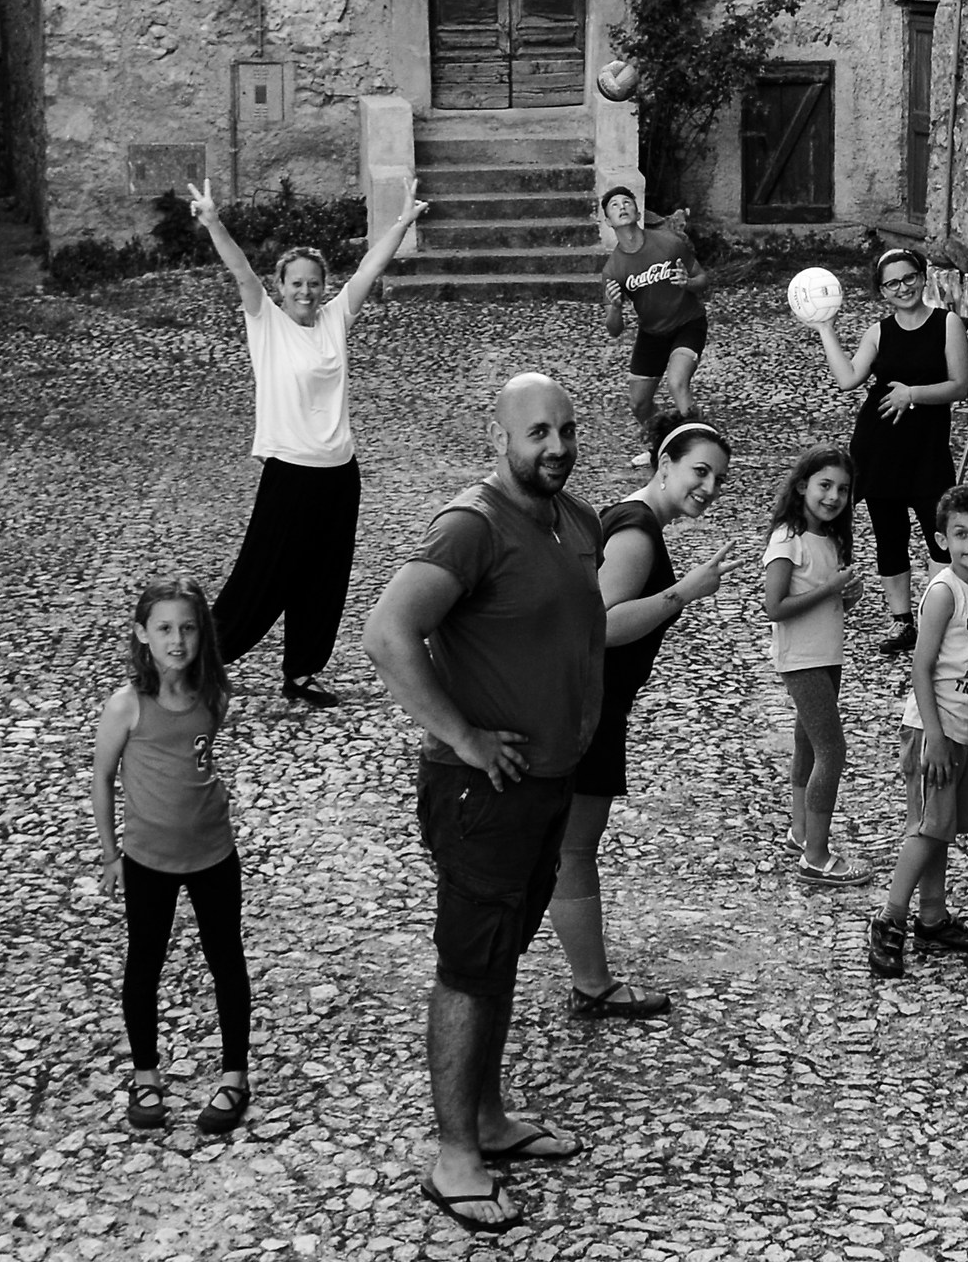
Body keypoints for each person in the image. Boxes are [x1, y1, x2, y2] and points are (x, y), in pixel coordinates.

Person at [362, 373, 605, 1236]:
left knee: (500, 954)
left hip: (545, 787)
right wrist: (464, 737)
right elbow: (387, 633)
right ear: (498, 437)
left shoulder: (570, 519)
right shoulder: (472, 525)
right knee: (469, 966)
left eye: (567, 430)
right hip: (483, 791)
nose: (556, 447)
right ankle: (454, 1154)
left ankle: (490, 1121)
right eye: (537, 432)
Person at [189, 177, 428, 709]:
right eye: (294, 283)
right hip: (289, 472)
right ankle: (195, 660)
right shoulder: (266, 322)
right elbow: (239, 269)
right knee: (261, 578)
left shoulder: (336, 318)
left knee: (324, 578)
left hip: (340, 473)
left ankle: (301, 673)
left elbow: (371, 267)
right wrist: (212, 220)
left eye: (313, 283)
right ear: (280, 287)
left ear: (323, 286)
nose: (304, 291)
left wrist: (403, 221)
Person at [554, 415, 750, 1019]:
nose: (709, 487)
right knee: (573, 849)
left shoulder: (625, 515)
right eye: (698, 471)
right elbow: (601, 627)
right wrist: (684, 593)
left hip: (585, 701)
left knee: (558, 845)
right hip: (591, 704)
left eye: (717, 477)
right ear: (663, 466)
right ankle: (592, 984)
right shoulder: (638, 532)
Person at [91, 575, 253, 1138]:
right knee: (145, 961)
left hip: (213, 851)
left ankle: (235, 1074)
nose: (176, 641)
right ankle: (145, 1074)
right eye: (163, 629)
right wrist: (112, 852)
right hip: (147, 859)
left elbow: (201, 757)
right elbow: (103, 777)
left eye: (187, 628)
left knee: (225, 958)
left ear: (202, 634)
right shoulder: (128, 705)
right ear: (143, 635)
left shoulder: (215, 695)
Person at [868, 483, 968, 978]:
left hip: (966, 726)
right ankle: (889, 920)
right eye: (962, 534)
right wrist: (937, 736)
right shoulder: (945, 592)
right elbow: (920, 669)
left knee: (941, 828)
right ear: (942, 539)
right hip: (936, 730)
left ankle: (932, 915)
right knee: (926, 829)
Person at [810, 247, 968, 656]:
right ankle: (903, 624)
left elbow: (959, 386)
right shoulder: (879, 332)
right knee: (889, 537)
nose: (903, 288)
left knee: (940, 535)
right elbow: (848, 379)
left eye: (909, 278)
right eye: (892, 283)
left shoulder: (947, 323)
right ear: (882, 291)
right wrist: (826, 327)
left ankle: (943, 623)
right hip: (878, 446)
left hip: (927, 449)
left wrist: (911, 394)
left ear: (923, 276)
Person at [764, 444, 872, 885]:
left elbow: (827, 595)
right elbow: (775, 605)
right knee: (833, 750)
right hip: (802, 659)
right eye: (825, 485)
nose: (833, 497)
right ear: (803, 484)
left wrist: (847, 594)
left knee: (808, 740)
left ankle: (801, 828)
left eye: (843, 490)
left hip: (827, 654)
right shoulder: (786, 539)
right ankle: (817, 855)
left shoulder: (829, 538)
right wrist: (830, 590)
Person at [600, 184, 713, 469]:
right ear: (608, 221)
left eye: (627, 202)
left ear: (638, 211)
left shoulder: (669, 242)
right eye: (614, 205)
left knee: (677, 382)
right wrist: (614, 307)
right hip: (652, 333)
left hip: (688, 323)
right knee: (639, 404)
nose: (622, 207)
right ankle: (664, 444)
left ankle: (701, 451)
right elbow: (613, 329)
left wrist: (688, 283)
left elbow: (703, 279)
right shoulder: (613, 270)